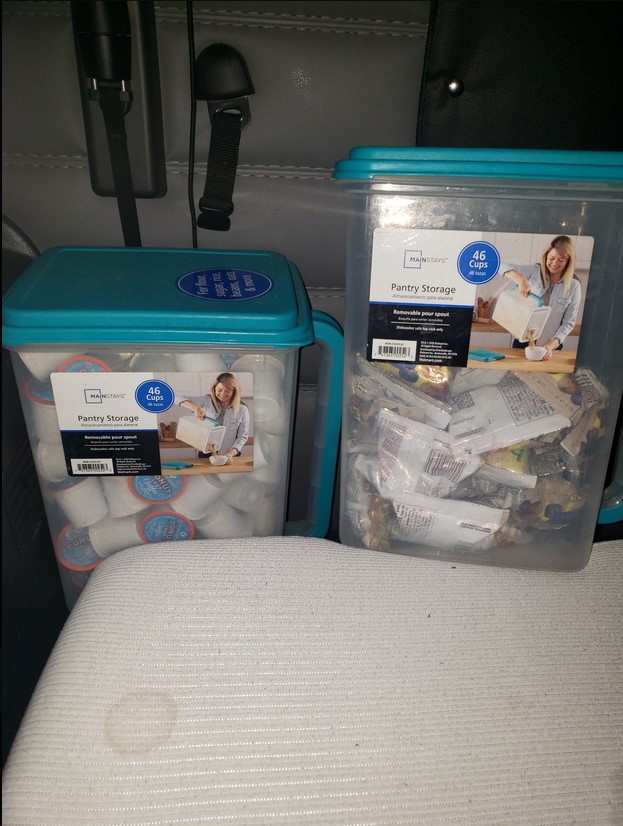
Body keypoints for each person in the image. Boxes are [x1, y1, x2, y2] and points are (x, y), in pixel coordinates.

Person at [501, 235, 581, 359]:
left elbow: (568, 323)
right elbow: (500, 266)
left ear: (568, 261)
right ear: (546, 256)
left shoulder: (574, 286)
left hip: (551, 346)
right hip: (522, 343)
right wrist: (521, 280)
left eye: (561, 260)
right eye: (552, 258)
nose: (555, 263)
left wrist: (550, 346)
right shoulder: (534, 272)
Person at [175, 372, 250, 463]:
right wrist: (195, 408)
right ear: (214, 389)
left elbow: (242, 437)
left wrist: (230, 453)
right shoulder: (206, 401)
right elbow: (175, 398)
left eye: (228, 391)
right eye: (219, 390)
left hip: (230, 455)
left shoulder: (242, 409)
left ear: (234, 391)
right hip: (206, 454)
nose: (223, 394)